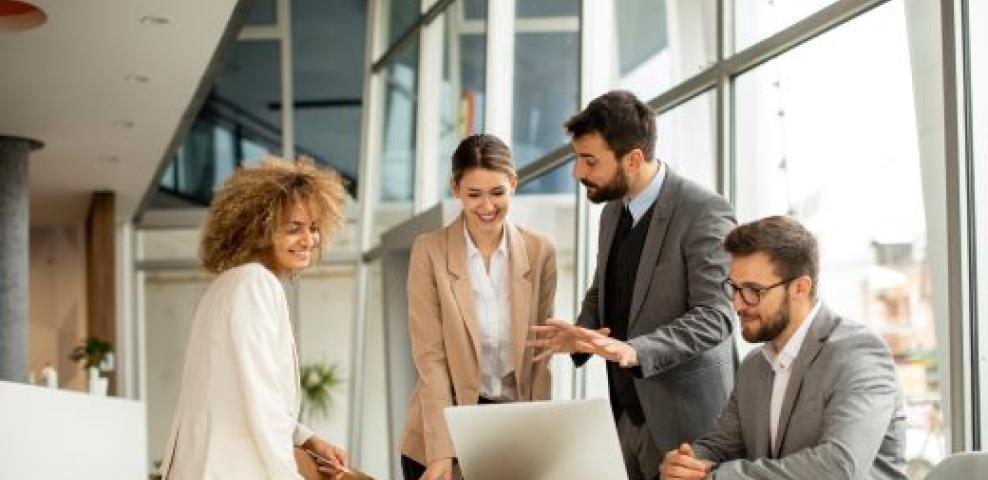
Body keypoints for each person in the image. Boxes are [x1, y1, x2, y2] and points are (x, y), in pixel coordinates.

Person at [530, 90, 736, 479]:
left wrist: (636, 350)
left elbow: (716, 316)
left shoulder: (704, 211)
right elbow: (604, 289)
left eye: (589, 160)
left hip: (688, 425)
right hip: (627, 417)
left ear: (634, 159)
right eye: (577, 158)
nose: (577, 172)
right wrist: (581, 334)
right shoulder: (612, 211)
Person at [659, 216, 907, 480]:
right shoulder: (754, 365)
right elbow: (721, 445)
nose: (738, 304)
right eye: (734, 288)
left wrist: (718, 477)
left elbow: (839, 467)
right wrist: (686, 464)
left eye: (753, 290)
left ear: (800, 288)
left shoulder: (859, 354)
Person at [159, 157, 349, 480]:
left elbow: (242, 392)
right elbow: (260, 398)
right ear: (259, 230)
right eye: (294, 229)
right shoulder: (255, 284)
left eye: (314, 228)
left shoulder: (226, 285)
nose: (308, 240)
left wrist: (307, 439)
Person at [400, 134, 557, 480]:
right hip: (444, 428)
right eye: (474, 194)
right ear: (455, 188)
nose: (487, 206)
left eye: (497, 192)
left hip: (511, 429)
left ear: (513, 183)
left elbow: (540, 357)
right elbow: (431, 359)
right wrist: (441, 452)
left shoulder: (540, 251)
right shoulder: (429, 251)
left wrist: (541, 441)